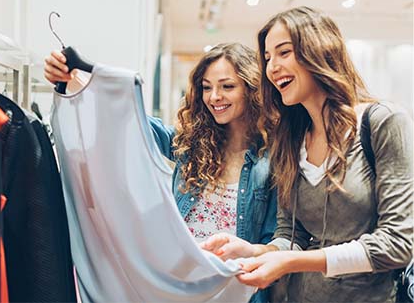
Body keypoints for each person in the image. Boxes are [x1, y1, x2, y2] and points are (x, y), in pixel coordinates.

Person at [201, 6, 413, 302]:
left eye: (284, 52)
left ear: (319, 50)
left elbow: (397, 244)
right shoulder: (290, 139)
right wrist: (253, 251)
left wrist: (292, 262)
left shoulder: (382, 122)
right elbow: (293, 236)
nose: (272, 67)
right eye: (267, 58)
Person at [44, 42, 277, 303]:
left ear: (252, 89)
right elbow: (134, 123)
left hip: (235, 291)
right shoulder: (193, 145)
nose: (214, 97)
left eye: (227, 86)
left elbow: (274, 244)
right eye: (207, 87)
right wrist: (78, 79)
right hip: (180, 287)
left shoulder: (272, 162)